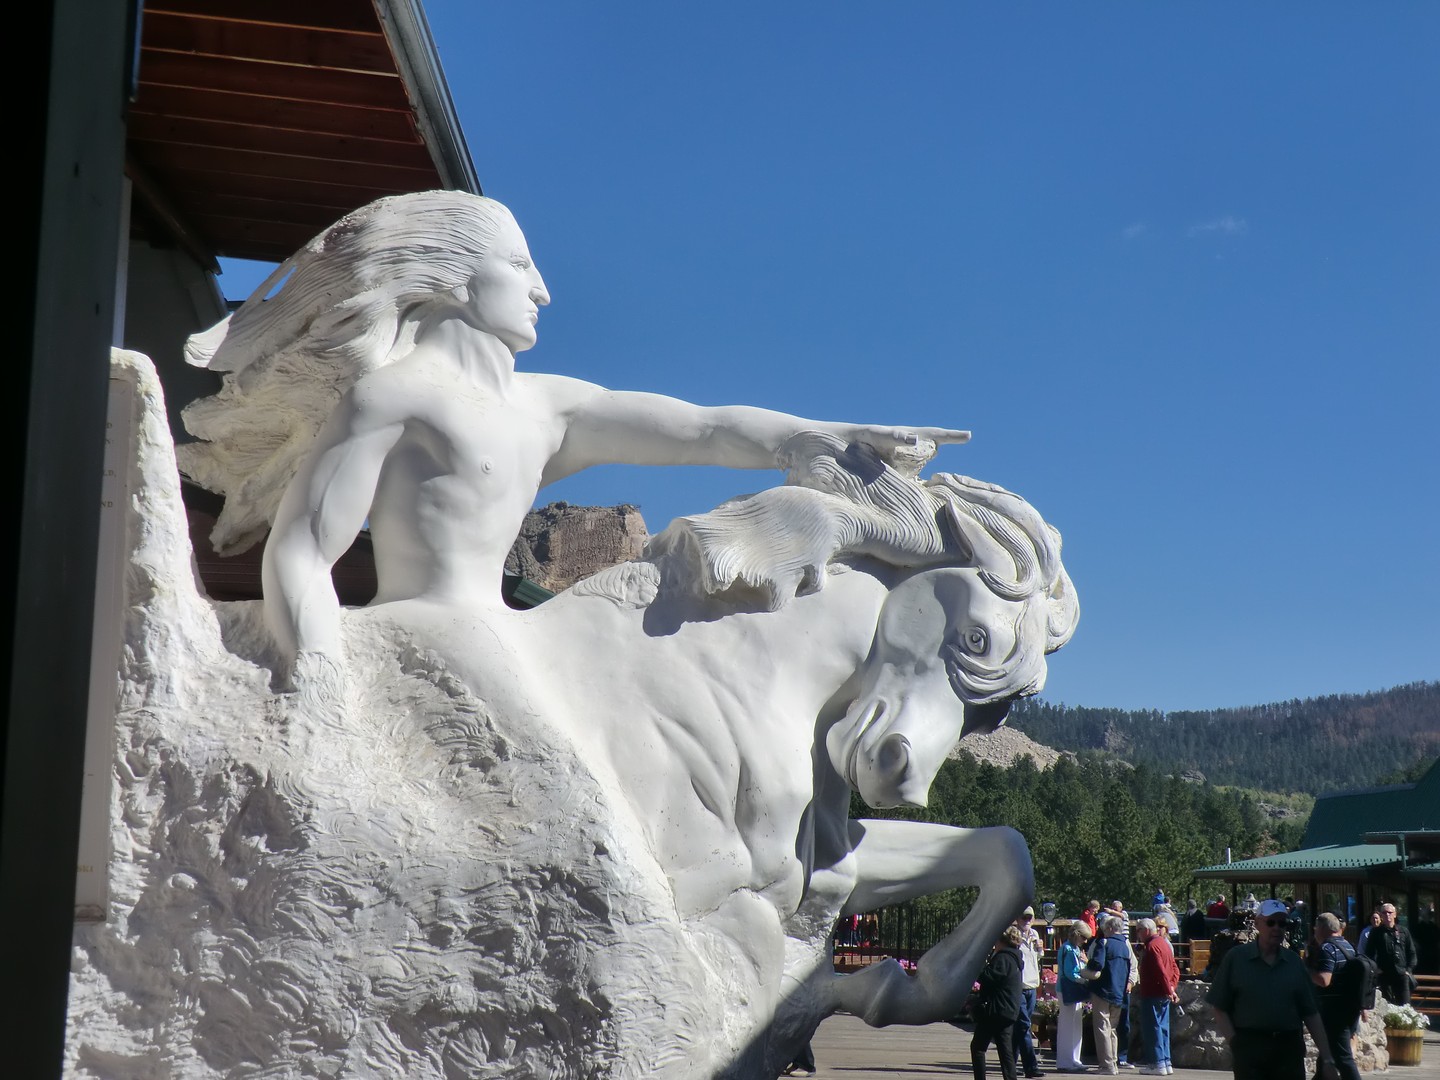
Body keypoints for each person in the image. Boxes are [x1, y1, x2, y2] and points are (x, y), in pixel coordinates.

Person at [179, 191, 969, 690]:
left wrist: (816, 436)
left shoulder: (547, 408)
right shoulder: (393, 399)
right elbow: (301, 551)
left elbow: (701, 428)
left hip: (504, 639)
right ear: (456, 277)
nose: (542, 289)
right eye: (519, 265)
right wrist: (318, 676)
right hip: (428, 643)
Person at [1206, 898, 1340, 1080]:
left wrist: (1328, 1060)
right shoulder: (1236, 959)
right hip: (1251, 1049)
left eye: (1282, 923)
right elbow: (1219, 1006)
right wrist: (1236, 1044)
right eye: (1271, 922)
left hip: (1288, 1050)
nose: (1277, 928)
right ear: (1258, 923)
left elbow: (1311, 1013)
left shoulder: (1294, 963)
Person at [1306, 912, 1364, 1080]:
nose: (1314, 931)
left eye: (1316, 927)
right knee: (1326, 1057)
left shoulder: (1327, 948)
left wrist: (1305, 971)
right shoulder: (1348, 946)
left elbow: (1324, 980)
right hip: (1350, 1008)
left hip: (1334, 1012)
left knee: (1344, 1058)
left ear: (1323, 928)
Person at [972, 925, 1025, 1080]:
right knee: (1005, 1051)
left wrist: (980, 964)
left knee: (978, 1048)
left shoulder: (1003, 958)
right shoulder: (1015, 958)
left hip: (995, 1010)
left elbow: (986, 977)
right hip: (1009, 1010)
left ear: (1001, 941)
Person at [1133, 918, 1180, 1076]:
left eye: (1138, 930)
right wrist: (1172, 988)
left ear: (1146, 930)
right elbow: (1174, 968)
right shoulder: (1164, 944)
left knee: (1153, 1028)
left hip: (1153, 993)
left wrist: (1168, 989)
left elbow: (1160, 971)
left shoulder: (1152, 947)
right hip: (1163, 993)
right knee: (1163, 1027)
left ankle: (1157, 1063)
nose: (1137, 934)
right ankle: (1166, 1062)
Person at [1088, 914, 1131, 1075]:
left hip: (1103, 990)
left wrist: (1087, 961)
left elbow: (1097, 964)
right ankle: (1114, 1062)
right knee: (1112, 1029)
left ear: (1111, 929)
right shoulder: (1125, 946)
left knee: (1102, 1028)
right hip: (1119, 992)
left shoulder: (1104, 943)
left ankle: (1106, 1065)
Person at [1056, 922, 1100, 1073]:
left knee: (1075, 1025)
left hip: (1072, 990)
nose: (1085, 941)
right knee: (1067, 1025)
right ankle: (1065, 1060)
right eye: (1083, 937)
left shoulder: (1075, 948)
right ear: (1077, 935)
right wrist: (1084, 980)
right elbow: (1070, 972)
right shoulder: (1068, 949)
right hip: (1067, 989)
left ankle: (1074, 1058)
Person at [1013, 907, 1046, 1078]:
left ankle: (1009, 1063)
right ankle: (1031, 1067)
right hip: (1018, 985)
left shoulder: (1035, 934)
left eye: (1030, 918)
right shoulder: (1012, 934)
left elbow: (1037, 958)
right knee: (1025, 1026)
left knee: (1020, 1027)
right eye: (1023, 917)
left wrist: (1040, 949)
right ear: (1017, 918)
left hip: (1031, 985)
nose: (1026, 920)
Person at [1364, 901, 1418, 1005]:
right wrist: (1376, 969)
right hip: (1384, 974)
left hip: (1401, 974)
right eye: (1384, 913)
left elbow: (1411, 952)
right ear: (1381, 915)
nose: (1387, 915)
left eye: (1390, 912)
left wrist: (1408, 970)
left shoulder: (1403, 931)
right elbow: (1368, 954)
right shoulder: (1376, 932)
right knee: (1386, 1005)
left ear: (1395, 914)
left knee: (1405, 1006)